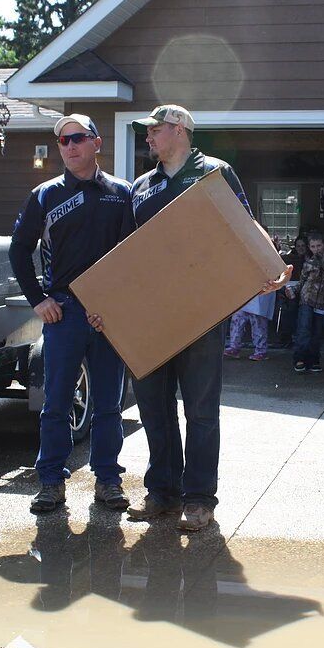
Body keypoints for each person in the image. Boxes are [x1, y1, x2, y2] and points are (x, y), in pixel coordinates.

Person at [94, 104, 290, 532]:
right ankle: (162, 491)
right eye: (147, 132)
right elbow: (127, 257)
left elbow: (245, 224)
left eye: (155, 130)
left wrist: (270, 266)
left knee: (201, 410)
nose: (148, 137)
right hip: (151, 317)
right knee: (153, 408)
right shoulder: (141, 187)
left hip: (202, 314)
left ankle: (200, 499)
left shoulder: (214, 172)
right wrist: (107, 304)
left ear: (179, 130)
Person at [8, 113, 134, 514]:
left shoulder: (123, 193)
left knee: (109, 403)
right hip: (62, 311)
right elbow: (18, 250)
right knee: (57, 401)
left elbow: (138, 255)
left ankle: (108, 481)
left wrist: (121, 304)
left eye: (78, 138)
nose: (70, 146)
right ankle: (50, 481)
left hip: (110, 313)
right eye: (63, 141)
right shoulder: (44, 195)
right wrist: (38, 300)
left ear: (97, 143)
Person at [289, 233, 324, 373]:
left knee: (317, 332)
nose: (316, 249)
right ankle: (300, 358)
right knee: (304, 329)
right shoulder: (308, 263)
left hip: (322, 301)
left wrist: (323, 262)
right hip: (307, 298)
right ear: (309, 247)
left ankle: (314, 360)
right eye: (313, 246)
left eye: (319, 245)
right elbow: (302, 282)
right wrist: (293, 291)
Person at [225, 291, 276, 361]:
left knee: (258, 321)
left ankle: (261, 351)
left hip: (262, 290)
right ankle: (234, 347)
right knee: (237, 318)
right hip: (245, 290)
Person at [276, 237, 308, 347]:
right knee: (289, 305)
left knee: (293, 305)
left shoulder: (311, 259)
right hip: (290, 287)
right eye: (298, 246)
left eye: (303, 246)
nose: (301, 248)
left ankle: (291, 335)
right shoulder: (290, 258)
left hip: (306, 290)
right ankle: (286, 336)